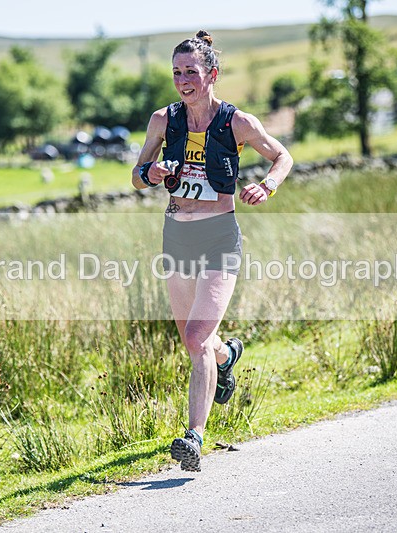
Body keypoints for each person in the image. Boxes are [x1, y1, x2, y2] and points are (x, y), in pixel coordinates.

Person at [132, 30, 293, 472]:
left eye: (192, 72)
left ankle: (194, 437)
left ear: (212, 74)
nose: (183, 80)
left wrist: (267, 185)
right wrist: (153, 171)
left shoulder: (237, 122)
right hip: (177, 235)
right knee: (195, 341)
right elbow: (136, 175)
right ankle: (228, 356)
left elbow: (283, 156)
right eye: (177, 72)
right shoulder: (163, 120)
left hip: (220, 237)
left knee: (197, 338)